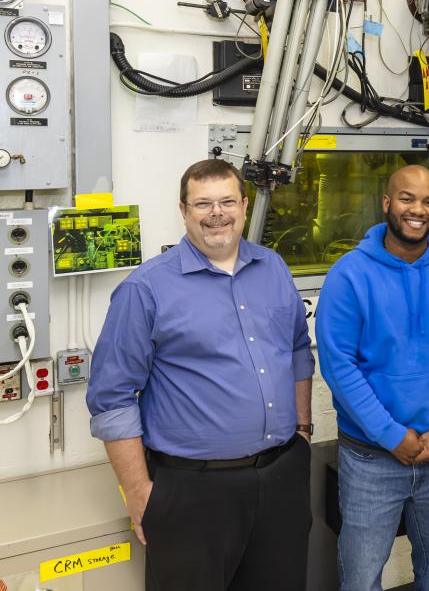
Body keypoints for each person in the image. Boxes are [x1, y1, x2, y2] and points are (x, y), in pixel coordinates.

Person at [86, 159, 314, 591]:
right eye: (203, 204)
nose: (217, 213)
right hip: (192, 491)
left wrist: (303, 430)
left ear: (244, 206)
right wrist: (139, 494)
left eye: (227, 201)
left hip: (282, 477)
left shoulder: (274, 268)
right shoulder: (145, 289)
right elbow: (111, 399)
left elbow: (299, 351)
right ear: (183, 210)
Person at [316, 164, 429, 591]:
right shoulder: (349, 275)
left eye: (428, 201)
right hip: (372, 458)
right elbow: (339, 367)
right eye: (407, 199)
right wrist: (391, 435)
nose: (418, 210)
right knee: (360, 576)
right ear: (387, 203)